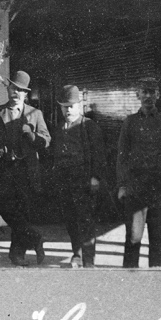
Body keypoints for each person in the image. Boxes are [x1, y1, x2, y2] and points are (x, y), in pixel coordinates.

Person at [0, 71, 52, 266]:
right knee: (5, 210)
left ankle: (17, 254)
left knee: (21, 212)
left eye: (21, 90)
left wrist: (31, 135)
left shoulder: (35, 114)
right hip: (3, 170)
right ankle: (36, 238)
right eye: (14, 88)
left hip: (26, 171)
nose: (16, 93)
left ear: (26, 94)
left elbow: (46, 141)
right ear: (8, 89)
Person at [115, 76, 161, 268]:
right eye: (144, 92)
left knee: (157, 241)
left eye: (152, 92)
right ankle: (129, 283)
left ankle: (156, 285)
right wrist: (122, 185)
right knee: (133, 238)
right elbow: (122, 156)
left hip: (159, 191)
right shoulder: (130, 122)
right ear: (138, 95)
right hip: (135, 190)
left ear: (158, 95)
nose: (148, 96)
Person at [49, 85, 105, 268]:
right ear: (60, 107)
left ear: (79, 106)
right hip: (64, 181)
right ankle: (77, 254)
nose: (68, 110)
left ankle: (89, 261)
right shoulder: (58, 128)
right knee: (70, 220)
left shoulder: (89, 126)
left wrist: (95, 177)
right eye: (65, 106)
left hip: (83, 181)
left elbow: (99, 155)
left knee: (86, 221)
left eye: (72, 106)